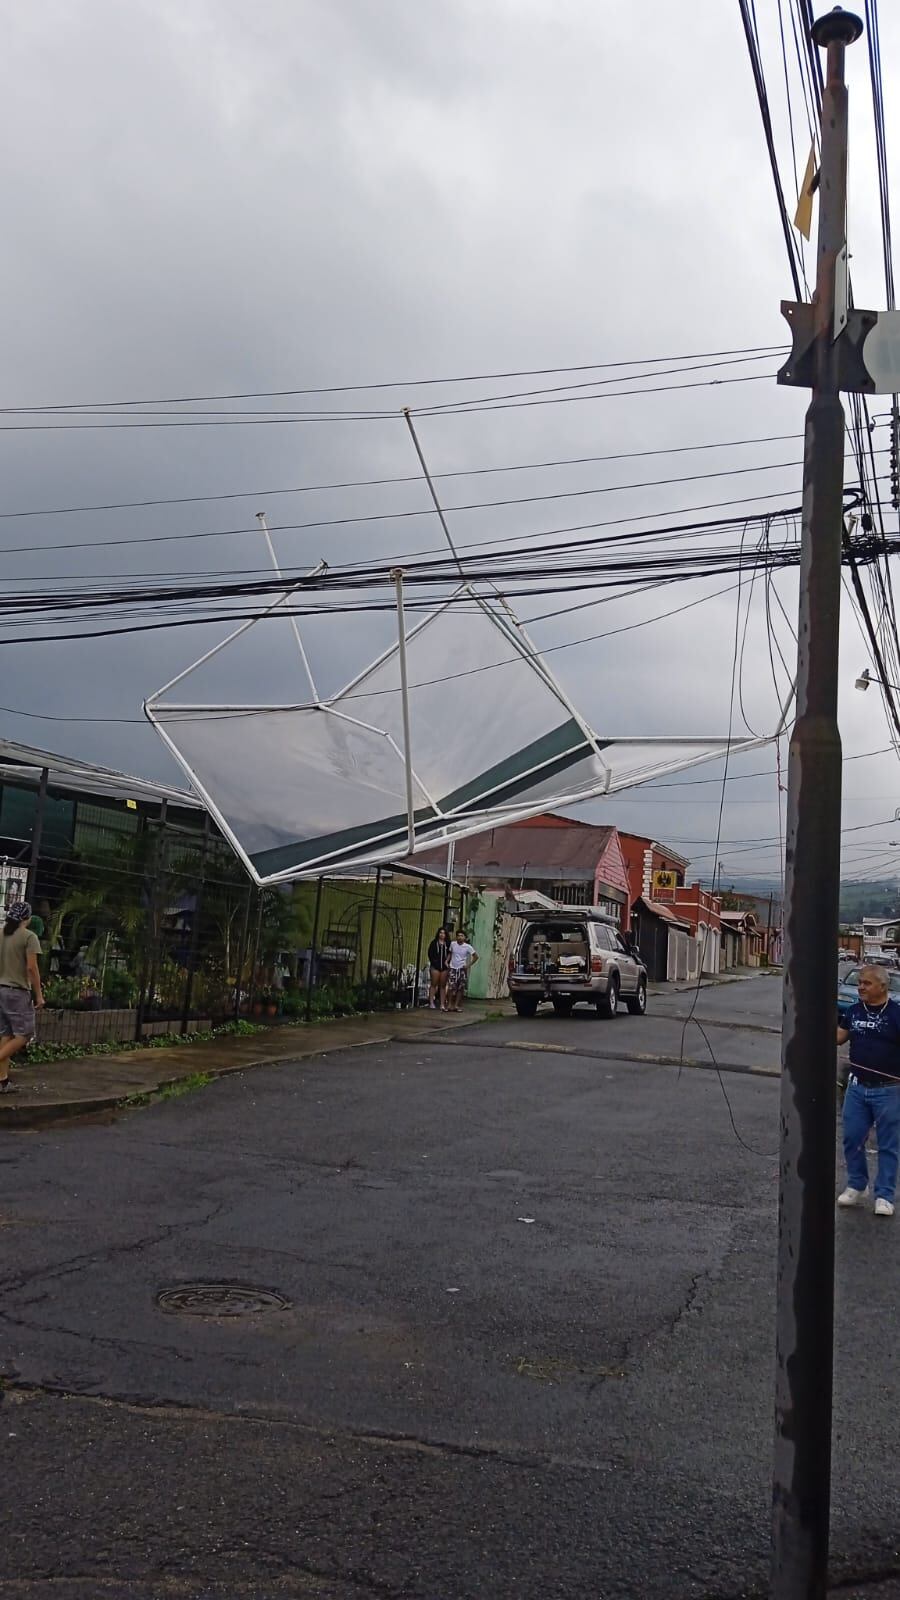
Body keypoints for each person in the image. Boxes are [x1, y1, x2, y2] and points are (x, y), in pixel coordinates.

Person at [837, 963, 900, 1216]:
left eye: (866, 983)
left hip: (889, 1090)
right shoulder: (853, 1011)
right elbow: (838, 1037)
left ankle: (884, 1195)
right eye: (860, 982)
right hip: (856, 1088)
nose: (860, 987)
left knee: (888, 1144)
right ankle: (857, 1184)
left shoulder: (896, 1014)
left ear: (883, 987)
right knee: (852, 1138)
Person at [0, 901, 44, 1094]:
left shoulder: (1, 934)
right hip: (17, 991)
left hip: (0, 989)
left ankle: (2, 1080)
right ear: (27, 918)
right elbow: (32, 968)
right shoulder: (29, 937)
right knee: (24, 1035)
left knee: (6, 1034)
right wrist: (39, 995)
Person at [446, 928, 478, 1013]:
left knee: (460, 988)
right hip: (453, 968)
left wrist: (468, 965)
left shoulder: (468, 947)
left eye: (461, 936)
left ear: (464, 937)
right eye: (458, 935)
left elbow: (476, 957)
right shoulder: (453, 944)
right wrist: (447, 961)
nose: (460, 937)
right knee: (451, 987)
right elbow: (450, 953)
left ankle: (456, 1005)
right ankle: (449, 1004)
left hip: (462, 969)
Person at [427, 926, 452, 1011]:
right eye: (440, 933)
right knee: (433, 984)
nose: (442, 935)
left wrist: (447, 963)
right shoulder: (434, 943)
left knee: (443, 985)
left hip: (444, 968)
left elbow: (450, 953)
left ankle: (442, 1004)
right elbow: (430, 954)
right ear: (438, 934)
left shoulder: (448, 944)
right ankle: (431, 1002)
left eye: (444, 933)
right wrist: (434, 963)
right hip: (435, 967)